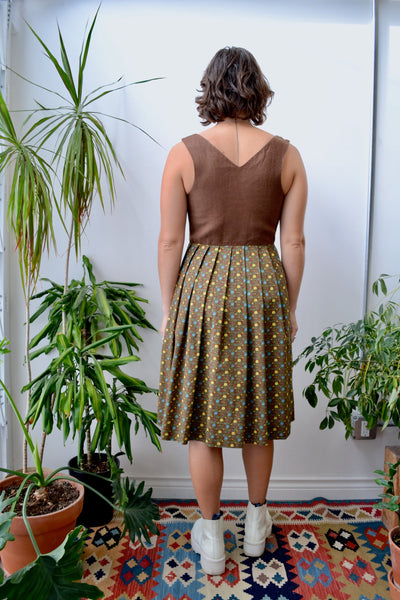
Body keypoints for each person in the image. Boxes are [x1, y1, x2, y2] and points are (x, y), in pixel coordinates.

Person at [157, 46, 307, 576]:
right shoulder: (287, 156)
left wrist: (172, 307)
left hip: (202, 292)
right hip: (263, 288)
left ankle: (212, 536)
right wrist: (289, 306)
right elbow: (294, 243)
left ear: (211, 89)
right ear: (257, 90)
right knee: (257, 416)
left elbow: (170, 240)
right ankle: (257, 523)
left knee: (205, 419)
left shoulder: (183, 154)